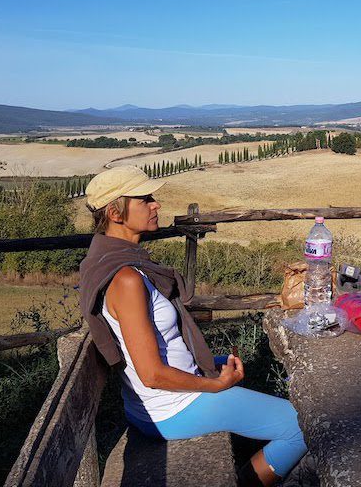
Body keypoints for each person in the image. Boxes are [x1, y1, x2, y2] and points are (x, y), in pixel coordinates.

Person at [78, 166, 307, 486]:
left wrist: (207, 363)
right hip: (172, 408)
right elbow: (151, 374)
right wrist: (214, 385)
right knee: (302, 425)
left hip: (152, 405)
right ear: (116, 212)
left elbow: (153, 350)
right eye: (145, 199)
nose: (155, 204)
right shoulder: (127, 279)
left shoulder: (112, 262)